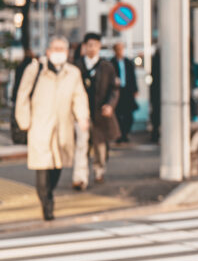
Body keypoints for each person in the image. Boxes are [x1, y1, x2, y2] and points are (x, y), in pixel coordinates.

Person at [14, 36, 90, 221]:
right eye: (55, 48)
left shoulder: (73, 73)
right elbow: (22, 95)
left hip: (63, 126)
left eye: (62, 49)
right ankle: (47, 205)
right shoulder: (35, 69)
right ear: (48, 51)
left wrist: (82, 117)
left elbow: (79, 96)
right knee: (42, 168)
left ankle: (49, 193)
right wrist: (24, 121)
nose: (58, 52)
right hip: (40, 126)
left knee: (58, 167)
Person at [78, 32, 120, 184]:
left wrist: (110, 105)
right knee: (81, 146)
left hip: (100, 113)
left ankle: (99, 170)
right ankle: (81, 176)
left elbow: (114, 89)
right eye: (89, 45)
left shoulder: (106, 67)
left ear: (99, 47)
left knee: (100, 146)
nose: (92, 48)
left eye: (95, 45)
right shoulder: (77, 66)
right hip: (81, 113)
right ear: (85, 46)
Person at [111, 43, 138, 143]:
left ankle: (125, 133)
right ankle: (119, 134)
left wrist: (135, 90)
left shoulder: (128, 62)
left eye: (121, 49)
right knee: (118, 114)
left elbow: (133, 77)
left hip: (127, 91)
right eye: (118, 49)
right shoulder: (111, 63)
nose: (120, 51)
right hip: (117, 91)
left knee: (128, 115)